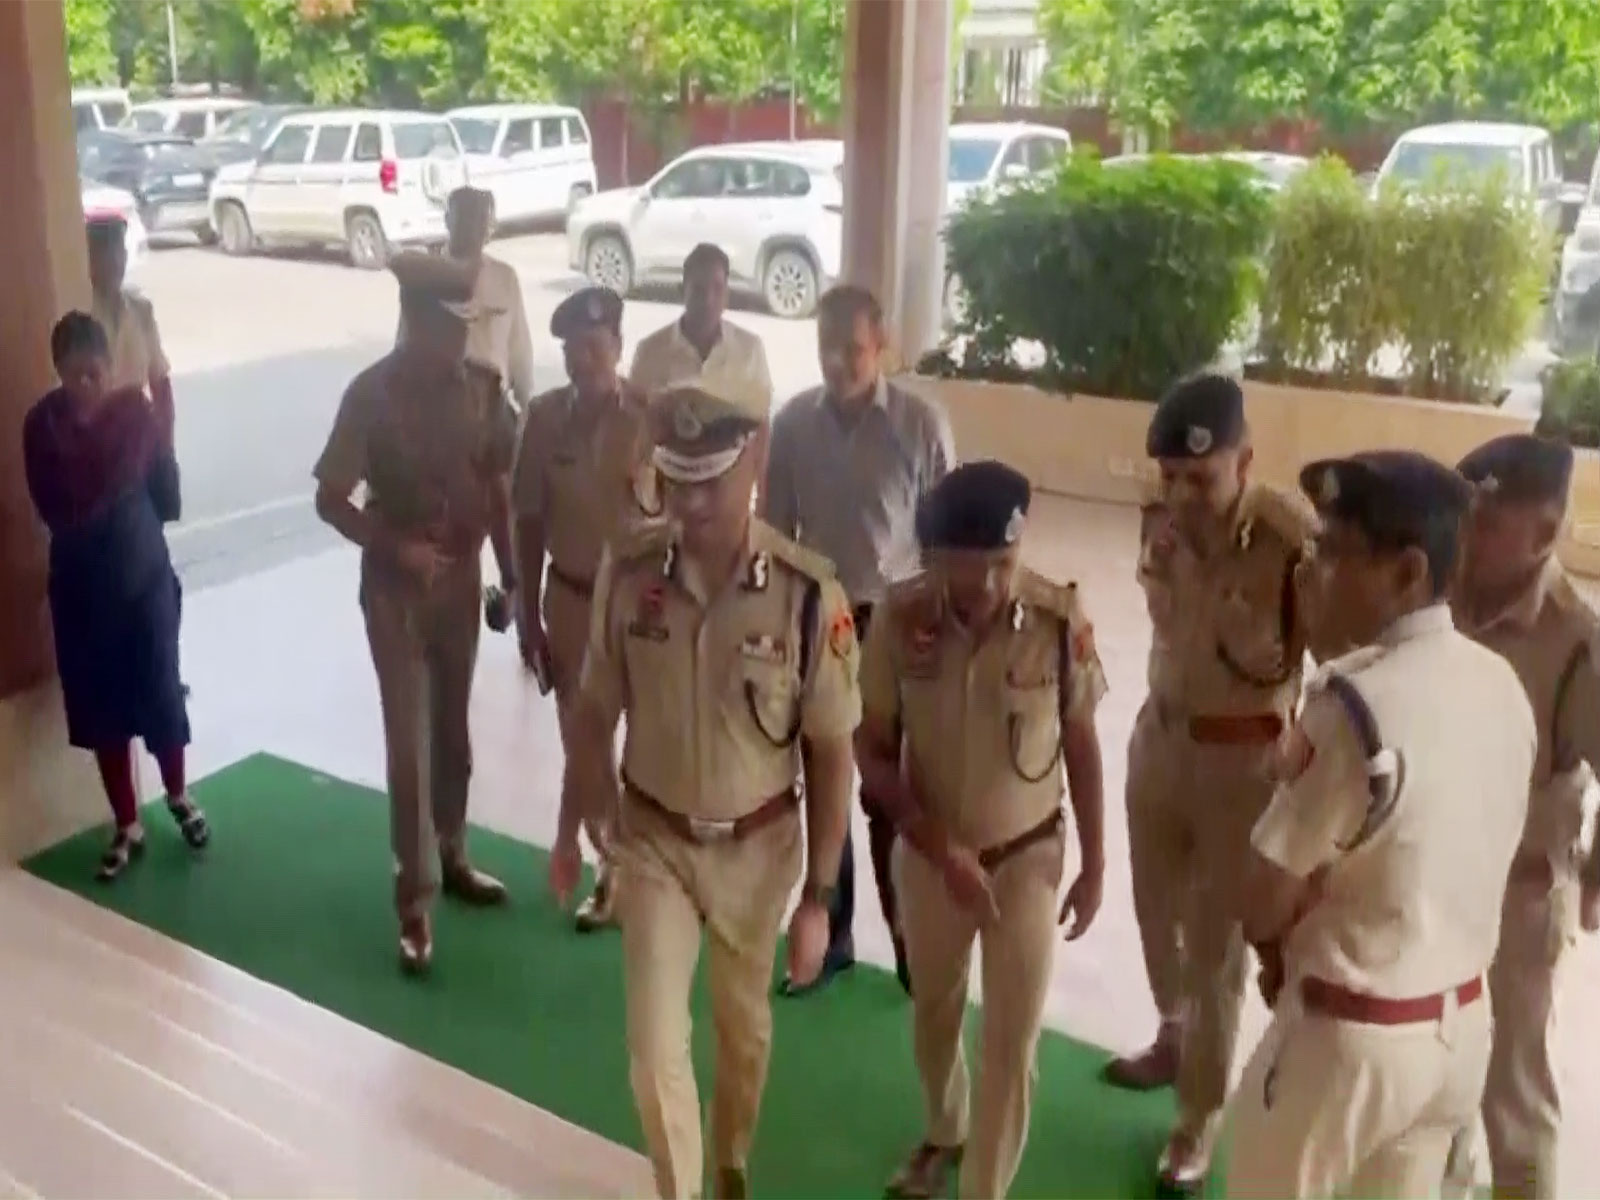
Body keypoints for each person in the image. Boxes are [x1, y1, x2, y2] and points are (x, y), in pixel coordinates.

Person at [553, 371, 860, 1199]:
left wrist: (819, 898)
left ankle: (728, 1164)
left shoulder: (805, 596)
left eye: (709, 483)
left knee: (743, 1039)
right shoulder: (631, 573)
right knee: (654, 1055)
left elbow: (832, 754)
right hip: (654, 841)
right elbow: (592, 707)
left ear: (754, 459)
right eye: (674, 481)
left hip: (758, 855)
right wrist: (582, 810)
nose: (687, 506)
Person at [1227, 450, 1536, 1198]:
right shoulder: (1500, 684)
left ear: (1406, 572)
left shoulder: (1353, 708)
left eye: (1333, 554)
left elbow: (1262, 898)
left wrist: (1281, 941)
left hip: (1352, 1043)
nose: (1311, 574)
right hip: (1458, 1032)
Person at [856, 461, 1107, 1199]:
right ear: (934, 561)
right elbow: (869, 751)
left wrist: (1094, 865)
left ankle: (985, 1189)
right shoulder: (900, 623)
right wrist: (938, 846)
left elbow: (1083, 742)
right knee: (934, 1018)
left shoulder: (1059, 621)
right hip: (933, 861)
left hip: (1028, 857)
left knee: (1012, 1043)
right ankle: (944, 1129)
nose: (993, 586)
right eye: (973, 571)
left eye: (1005, 563)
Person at [1109, 372, 1317, 1194]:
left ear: (1245, 461)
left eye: (1202, 477)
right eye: (1170, 478)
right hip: (1159, 745)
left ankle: (1196, 1122)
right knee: (1156, 919)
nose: (1185, 495)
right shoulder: (1159, 522)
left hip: (1245, 768)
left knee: (1218, 955)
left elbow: (1333, 652)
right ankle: (1173, 1036)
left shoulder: (1288, 542)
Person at [313, 252, 518, 975]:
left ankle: (455, 852)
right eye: (449, 326)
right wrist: (391, 545)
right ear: (415, 320)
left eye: (468, 326)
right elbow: (330, 497)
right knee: (409, 746)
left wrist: (513, 578)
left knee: (454, 736)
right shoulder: (370, 396)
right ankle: (415, 903)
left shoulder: (484, 393)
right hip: (396, 595)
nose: (463, 341)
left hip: (462, 585)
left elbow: (499, 492)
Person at [762, 283, 955, 996]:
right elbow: (774, 532)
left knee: (890, 791)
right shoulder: (792, 426)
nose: (838, 361)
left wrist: (939, 625)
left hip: (893, 625)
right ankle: (831, 936)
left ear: (882, 346)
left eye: (853, 348)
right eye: (827, 348)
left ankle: (912, 945)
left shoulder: (921, 423)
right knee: (827, 776)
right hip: (816, 622)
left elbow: (944, 541)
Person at [1445, 434, 1600, 1199]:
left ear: (1542, 534)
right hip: (1435, 879)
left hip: (1521, 892)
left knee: (1512, 1097)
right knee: (1434, 1082)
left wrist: (1594, 884)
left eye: (1488, 524)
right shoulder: (1444, 596)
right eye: (1466, 518)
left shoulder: (1577, 636)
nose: (1467, 539)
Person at [23, 311, 208, 880]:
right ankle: (127, 822)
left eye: (93, 372)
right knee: (101, 705)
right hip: (82, 582)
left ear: (107, 366)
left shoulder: (134, 414)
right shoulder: (42, 426)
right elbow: (46, 503)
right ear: (58, 370)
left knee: (158, 687)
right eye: (73, 374)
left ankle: (178, 796)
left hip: (141, 572)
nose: (85, 385)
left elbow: (161, 489)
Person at [513, 284, 658, 933]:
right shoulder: (542, 421)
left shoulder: (651, 418)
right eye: (573, 351)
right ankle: (610, 863)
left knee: (637, 747)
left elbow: (679, 514)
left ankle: (609, 855)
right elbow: (526, 521)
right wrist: (525, 612)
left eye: (596, 348)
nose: (584, 362)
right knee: (586, 745)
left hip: (638, 607)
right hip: (570, 603)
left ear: (618, 349)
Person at [396, 187, 535, 411]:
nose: (474, 229)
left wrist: (526, 410)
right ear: (448, 220)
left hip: (492, 408)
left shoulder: (504, 277)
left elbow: (520, 352)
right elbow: (403, 344)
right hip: (436, 407)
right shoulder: (426, 274)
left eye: (481, 220)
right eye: (466, 218)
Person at [629, 243, 773, 403]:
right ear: (682, 291)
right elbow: (634, 418)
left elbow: (761, 422)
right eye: (698, 289)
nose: (707, 300)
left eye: (717, 289)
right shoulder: (649, 352)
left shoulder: (750, 350)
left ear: (727, 294)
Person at [87, 214, 174, 405]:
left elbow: (160, 381)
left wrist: (163, 432)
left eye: (119, 252)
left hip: (137, 425)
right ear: (88, 260)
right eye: (103, 255)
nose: (114, 262)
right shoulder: (81, 318)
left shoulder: (141, 310)